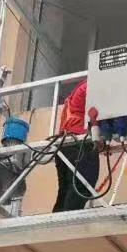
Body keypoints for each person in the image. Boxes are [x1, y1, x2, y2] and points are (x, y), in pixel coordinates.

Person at [53, 79, 100, 212]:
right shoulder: (92, 87)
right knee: (83, 186)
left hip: (65, 145)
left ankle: (58, 221)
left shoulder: (81, 91)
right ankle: (66, 222)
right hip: (78, 144)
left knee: (66, 191)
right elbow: (102, 115)